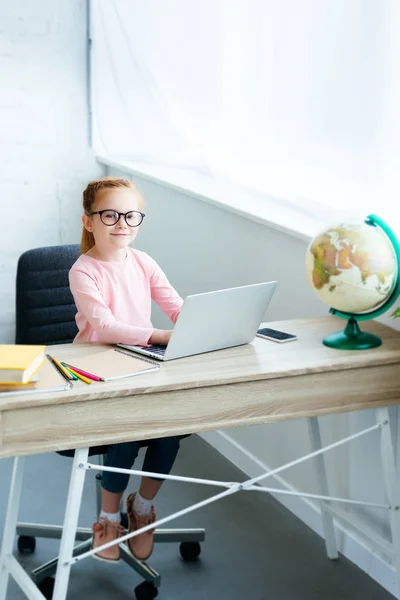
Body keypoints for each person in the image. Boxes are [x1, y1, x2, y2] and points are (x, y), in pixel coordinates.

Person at [69, 176, 186, 563]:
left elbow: (175, 306)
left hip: (141, 364)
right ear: (90, 221)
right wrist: (161, 336)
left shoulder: (143, 261)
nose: (122, 223)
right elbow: (104, 326)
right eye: (110, 214)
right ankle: (108, 517)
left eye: (131, 215)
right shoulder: (83, 270)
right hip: (96, 371)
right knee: (128, 434)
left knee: (170, 428)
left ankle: (143, 507)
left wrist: (199, 325)